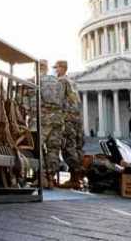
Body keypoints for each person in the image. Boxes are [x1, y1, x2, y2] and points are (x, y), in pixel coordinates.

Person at [55, 60, 84, 190]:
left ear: (62, 68)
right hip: (77, 118)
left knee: (68, 147)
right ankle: (77, 178)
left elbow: (58, 100)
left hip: (67, 118)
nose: (56, 70)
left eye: (57, 68)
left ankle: (75, 178)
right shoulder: (73, 82)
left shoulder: (62, 81)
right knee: (77, 147)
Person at [37, 59, 64, 188]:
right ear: (47, 68)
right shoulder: (57, 81)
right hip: (57, 119)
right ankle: (51, 178)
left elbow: (30, 103)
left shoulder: (36, 80)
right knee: (53, 149)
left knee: (38, 146)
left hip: (43, 119)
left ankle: (41, 177)